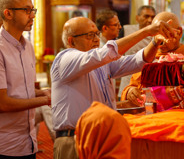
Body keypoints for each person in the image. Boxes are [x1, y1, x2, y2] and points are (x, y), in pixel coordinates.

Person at [51, 16, 175, 159]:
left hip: (103, 139)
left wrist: (155, 42)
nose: (97, 39)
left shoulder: (99, 61)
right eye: (90, 36)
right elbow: (106, 53)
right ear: (71, 41)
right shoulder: (66, 58)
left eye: (97, 34)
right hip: (74, 140)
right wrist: (146, 32)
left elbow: (137, 61)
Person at [0, 0, 51, 158]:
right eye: (27, 10)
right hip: (6, 144)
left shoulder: (28, 46)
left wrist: (42, 92)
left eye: (33, 10)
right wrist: (45, 100)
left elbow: (21, 90)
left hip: (29, 142)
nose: (33, 15)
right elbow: (3, 103)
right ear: (8, 13)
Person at [120, 11, 184, 106]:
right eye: (156, 34)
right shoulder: (147, 57)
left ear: (180, 32)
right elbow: (133, 85)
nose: (161, 39)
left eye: (166, 33)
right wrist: (130, 91)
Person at [118, 5, 156, 98]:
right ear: (137, 18)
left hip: (149, 86)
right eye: (146, 16)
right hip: (127, 83)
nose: (150, 20)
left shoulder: (158, 35)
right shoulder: (126, 30)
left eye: (152, 17)